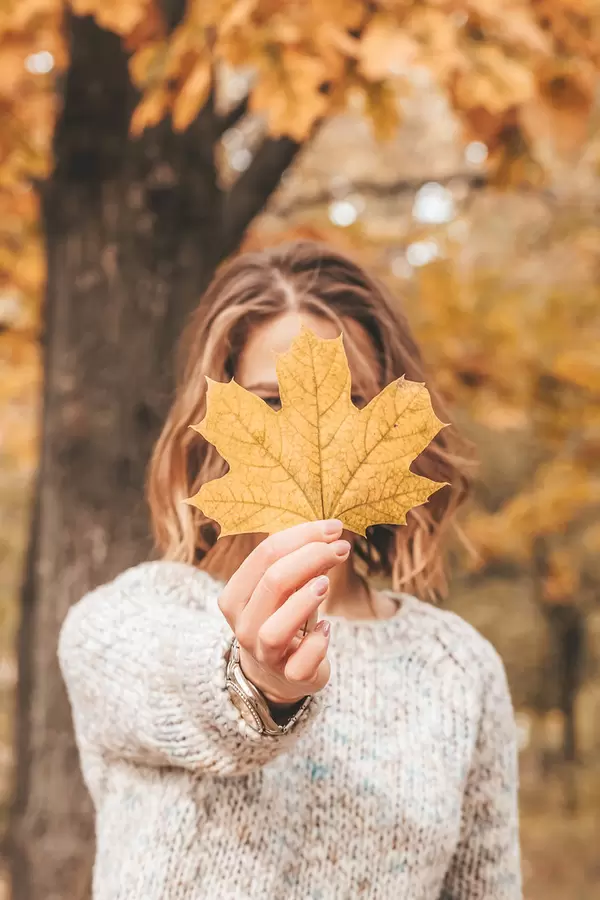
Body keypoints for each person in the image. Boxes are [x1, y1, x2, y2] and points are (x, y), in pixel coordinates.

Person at [58, 241, 521, 900]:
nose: (312, 446)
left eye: (357, 401)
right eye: (268, 402)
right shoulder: (124, 622)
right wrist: (257, 683)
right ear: (212, 426)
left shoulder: (458, 670)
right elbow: (184, 679)